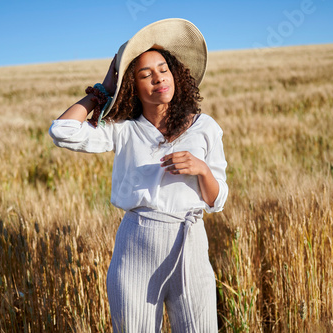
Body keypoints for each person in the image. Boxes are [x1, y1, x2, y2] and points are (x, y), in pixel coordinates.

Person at [49, 18, 228, 333]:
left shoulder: (205, 127)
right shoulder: (123, 129)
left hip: (190, 242)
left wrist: (200, 169)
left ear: (176, 75)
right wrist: (101, 91)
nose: (158, 78)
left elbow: (217, 200)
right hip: (136, 246)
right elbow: (63, 131)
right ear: (132, 85)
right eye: (146, 74)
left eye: (163, 69)